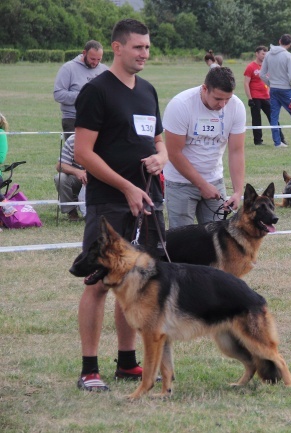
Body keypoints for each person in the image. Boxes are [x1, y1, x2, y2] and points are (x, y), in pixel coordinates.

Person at [73, 18, 168, 392]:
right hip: (109, 202)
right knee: (98, 284)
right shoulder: (96, 92)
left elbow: (159, 142)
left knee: (136, 282)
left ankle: (127, 363)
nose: (145, 53)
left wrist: (162, 157)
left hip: (147, 200)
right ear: (117, 47)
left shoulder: (147, 90)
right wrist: (127, 186)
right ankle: (89, 369)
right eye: (138, 47)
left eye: (147, 47)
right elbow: (83, 152)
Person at [163, 67, 245, 228]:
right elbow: (174, 153)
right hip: (180, 183)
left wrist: (237, 191)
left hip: (214, 181)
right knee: (182, 242)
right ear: (205, 88)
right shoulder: (180, 105)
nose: (222, 104)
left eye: (227, 99)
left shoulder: (237, 106)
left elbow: (236, 151)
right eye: (218, 98)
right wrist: (202, 185)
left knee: (218, 240)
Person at [260, 34, 291, 148]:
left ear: (279, 41)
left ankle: (277, 142)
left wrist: (270, 83)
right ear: (290, 44)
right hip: (286, 89)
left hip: (273, 90)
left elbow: (262, 74)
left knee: (274, 117)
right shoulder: (288, 56)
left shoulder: (268, 55)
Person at [53, 40, 109, 139]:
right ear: (84, 53)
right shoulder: (68, 68)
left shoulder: (104, 70)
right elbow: (58, 94)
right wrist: (84, 96)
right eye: (92, 59)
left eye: (98, 59)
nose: (95, 63)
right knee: (75, 154)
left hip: (98, 120)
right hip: (73, 119)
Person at [243, 46, 285, 145]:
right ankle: (258, 141)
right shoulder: (251, 67)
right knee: (256, 119)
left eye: (266, 54)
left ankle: (280, 138)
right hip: (255, 97)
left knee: (273, 118)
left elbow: (270, 80)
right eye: (262, 53)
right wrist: (250, 98)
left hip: (266, 97)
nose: (264, 56)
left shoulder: (267, 66)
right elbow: (246, 83)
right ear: (257, 54)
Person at [54, 133, 86, 221]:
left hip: (100, 179)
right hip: (78, 179)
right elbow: (60, 165)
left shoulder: (105, 139)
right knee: (60, 178)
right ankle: (71, 212)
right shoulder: (73, 139)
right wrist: (77, 172)